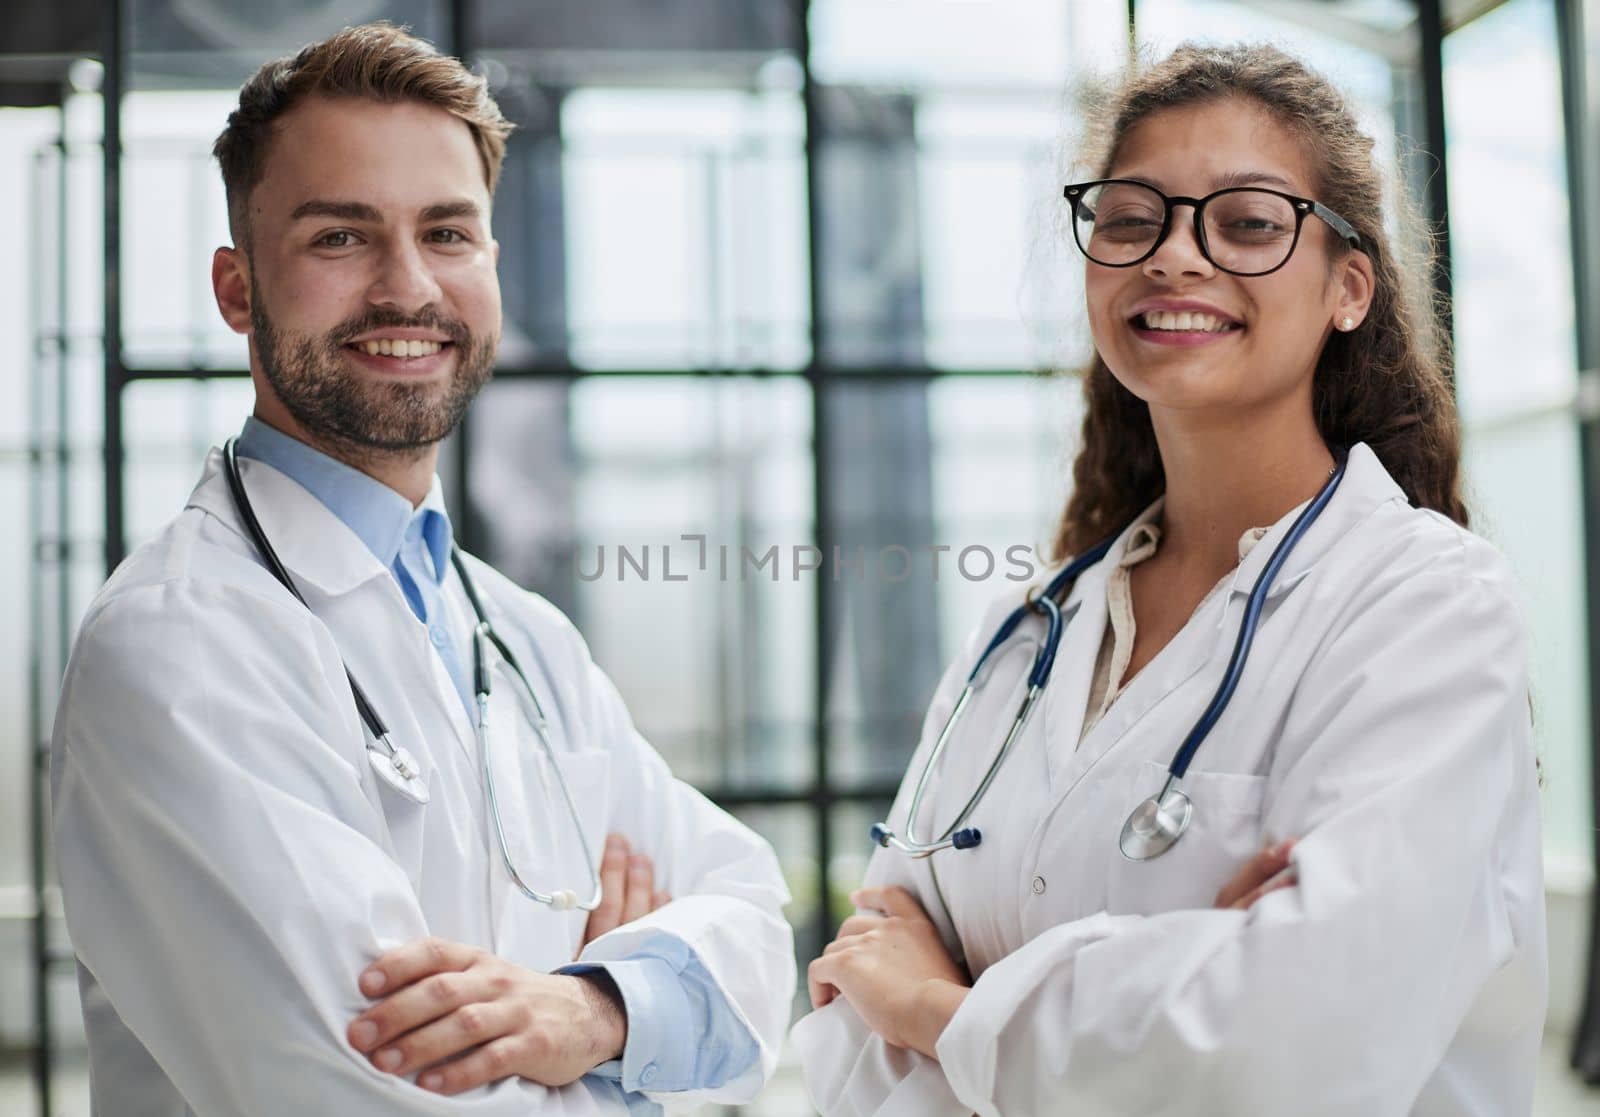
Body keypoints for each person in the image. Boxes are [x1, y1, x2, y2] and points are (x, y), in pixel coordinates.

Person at [791, 42, 1547, 1116]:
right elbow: (848, 1002)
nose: (1174, 257)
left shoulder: (1423, 604)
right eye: (1130, 218)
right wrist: (1158, 986)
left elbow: (1288, 1046)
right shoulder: (1026, 632)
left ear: (1347, 288)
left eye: (1245, 222)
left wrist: (942, 1011)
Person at [51, 23, 793, 1115]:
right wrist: (645, 1042)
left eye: (447, 232)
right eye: (340, 238)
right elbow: (379, 1098)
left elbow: (756, 929)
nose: (408, 290)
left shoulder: (520, 634)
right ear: (238, 288)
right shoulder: (180, 648)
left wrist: (585, 1011)